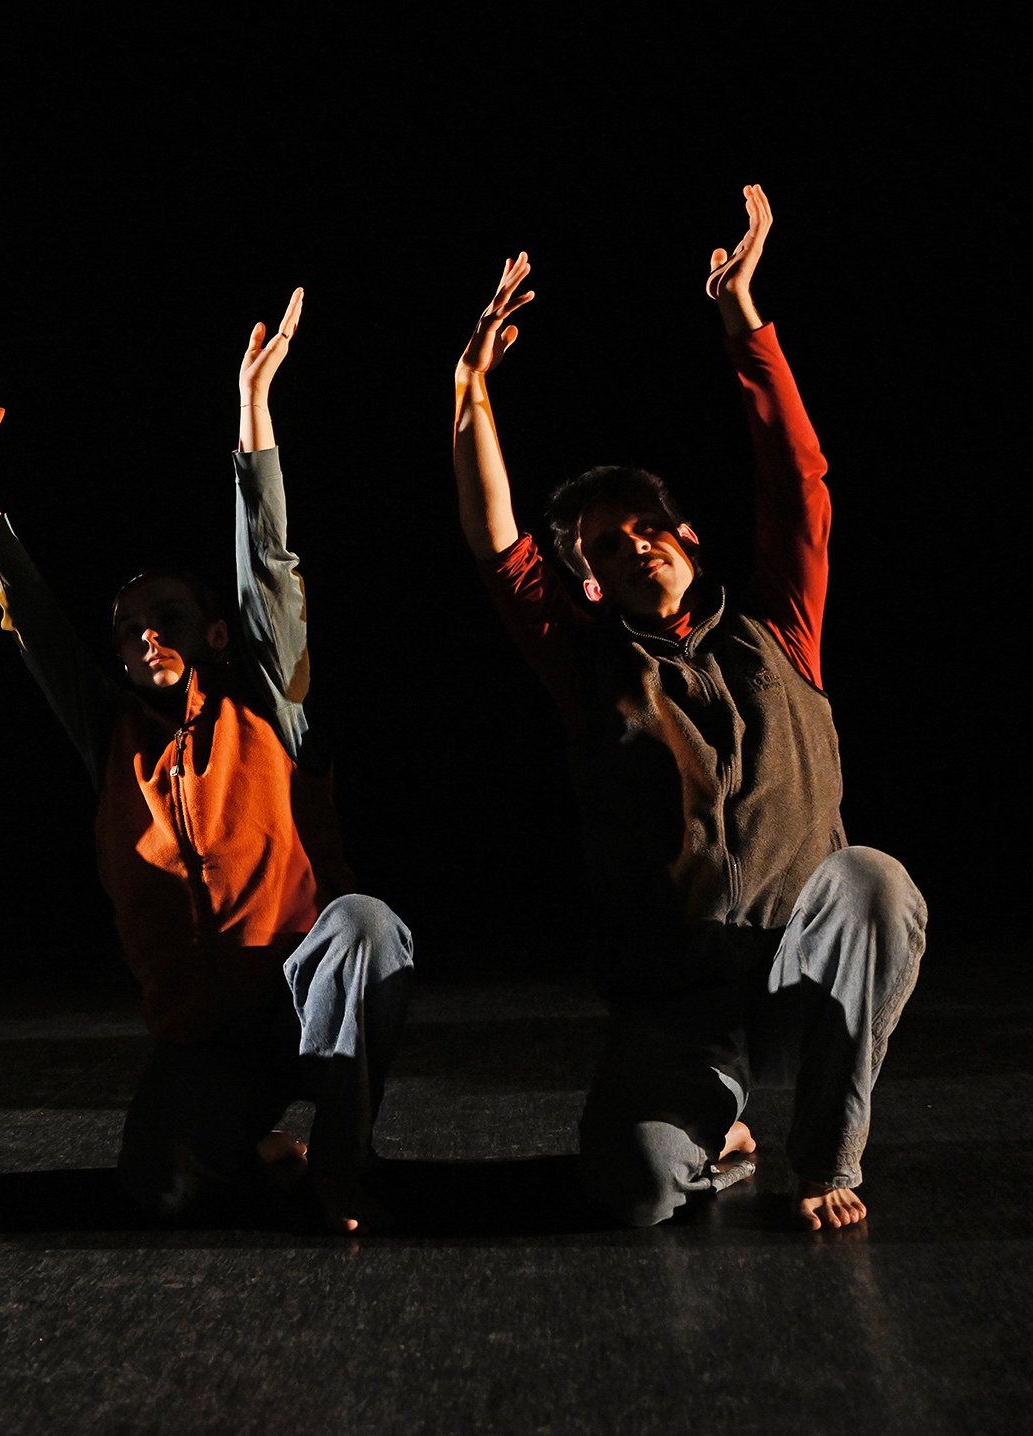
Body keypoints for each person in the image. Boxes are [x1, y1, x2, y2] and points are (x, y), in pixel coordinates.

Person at [449, 185, 924, 1231]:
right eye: (606, 547)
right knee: (635, 1190)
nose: (635, 546)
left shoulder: (780, 623)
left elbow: (799, 481)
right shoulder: (587, 666)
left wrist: (741, 314)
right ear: (589, 582)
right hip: (680, 1006)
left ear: (689, 533)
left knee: (876, 884)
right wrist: (471, 387)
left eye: (647, 525)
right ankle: (716, 1129)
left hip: (797, 972)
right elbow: (497, 549)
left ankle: (824, 1156)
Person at [0, 290, 414, 1233]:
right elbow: (31, 623)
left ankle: (341, 1163)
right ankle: (265, 1147)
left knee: (366, 925)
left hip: (295, 1002)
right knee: (161, 1186)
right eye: (126, 631)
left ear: (210, 633)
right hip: (208, 1036)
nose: (142, 637)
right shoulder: (109, 732)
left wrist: (253, 415)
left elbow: (268, 567)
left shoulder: (266, 702)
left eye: (164, 621)